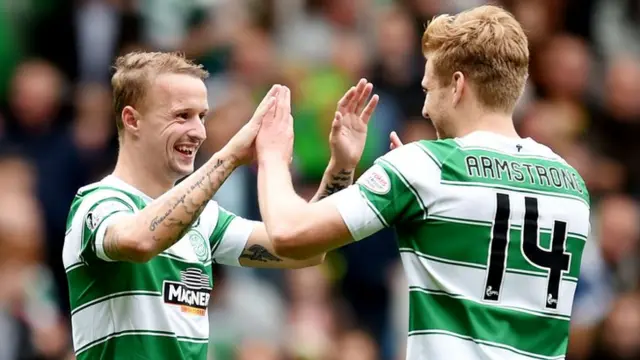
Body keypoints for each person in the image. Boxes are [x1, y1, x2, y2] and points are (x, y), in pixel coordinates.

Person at [255, 5, 590, 360]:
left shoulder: (426, 167)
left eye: (429, 88)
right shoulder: (572, 184)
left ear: (458, 85)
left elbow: (290, 235)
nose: (426, 108)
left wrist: (272, 155)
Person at [62, 51, 379, 359]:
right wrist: (230, 156)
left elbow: (307, 249)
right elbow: (141, 241)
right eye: (182, 116)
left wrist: (341, 166)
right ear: (132, 120)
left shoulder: (204, 220)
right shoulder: (97, 203)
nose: (198, 131)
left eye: (202, 117)